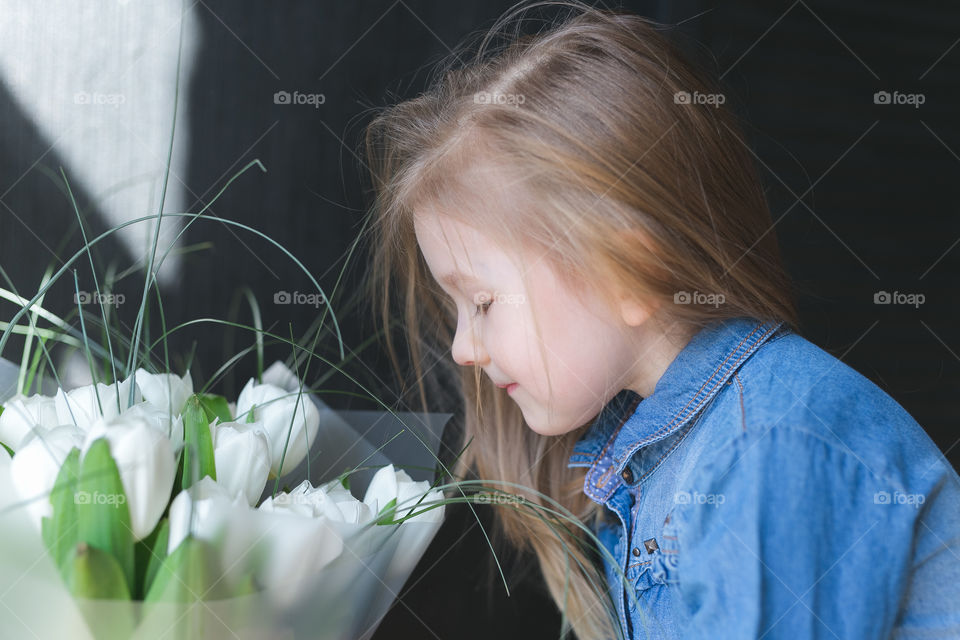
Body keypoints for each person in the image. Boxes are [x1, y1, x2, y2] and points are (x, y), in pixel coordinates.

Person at [361, 2, 960, 638]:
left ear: (624, 271)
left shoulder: (768, 448)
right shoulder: (664, 449)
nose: (461, 349)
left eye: (481, 302)